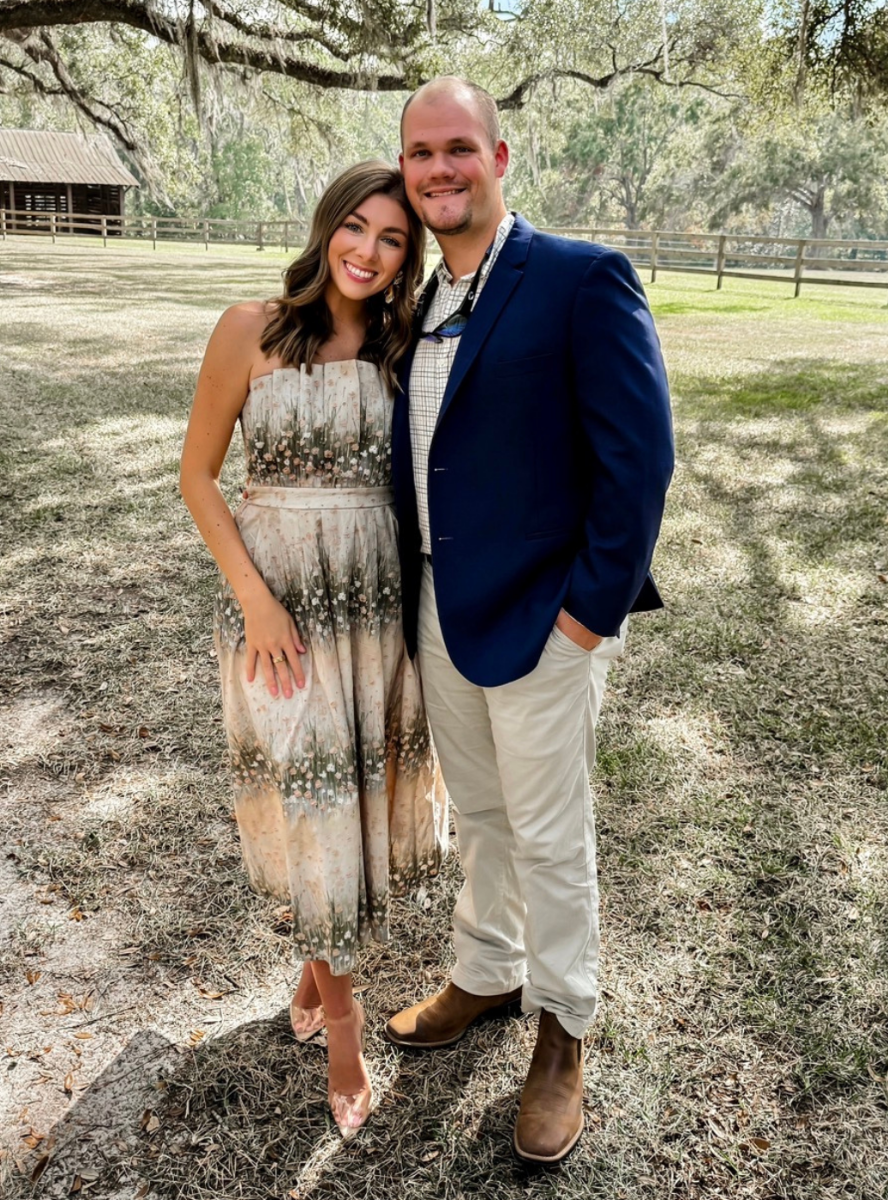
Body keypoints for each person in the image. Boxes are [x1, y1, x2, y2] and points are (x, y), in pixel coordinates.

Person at [385, 78, 675, 1164]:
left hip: (545, 622)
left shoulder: (579, 278)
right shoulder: (422, 298)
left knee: (553, 835)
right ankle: (487, 970)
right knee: (485, 816)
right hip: (439, 605)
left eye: (460, 149)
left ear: (501, 159)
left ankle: (564, 1032)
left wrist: (587, 621)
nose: (439, 170)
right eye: (421, 154)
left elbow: (641, 460)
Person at [180, 161, 448, 1140]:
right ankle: (342, 1032)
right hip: (279, 610)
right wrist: (255, 601)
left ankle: (313, 967)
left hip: (373, 610)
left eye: (392, 241)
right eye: (357, 229)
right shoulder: (248, 327)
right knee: (314, 809)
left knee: (350, 816)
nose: (369, 254)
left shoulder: (402, 345)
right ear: (326, 224)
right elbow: (199, 476)